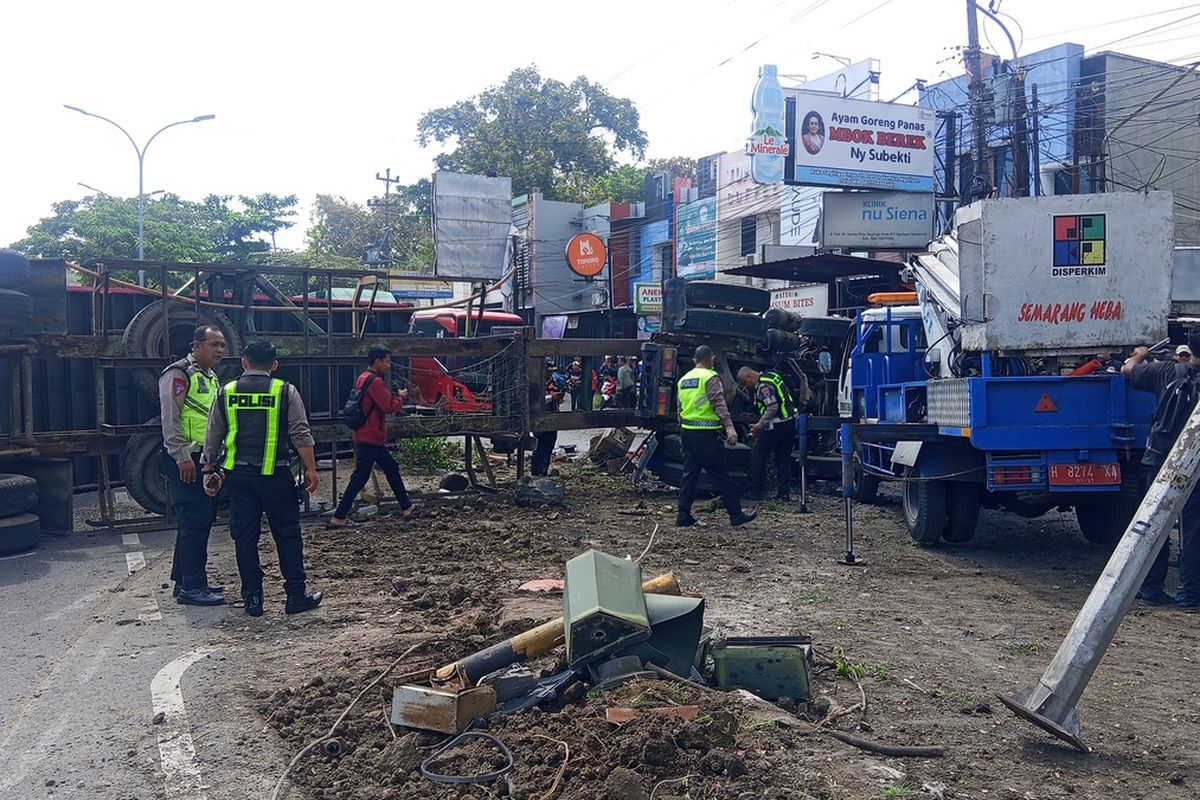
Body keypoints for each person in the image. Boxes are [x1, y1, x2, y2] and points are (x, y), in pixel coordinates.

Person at [202, 340, 323, 617]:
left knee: (245, 537)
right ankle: (295, 596)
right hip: (276, 476)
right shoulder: (285, 391)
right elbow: (301, 434)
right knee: (288, 535)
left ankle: (253, 600)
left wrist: (208, 470)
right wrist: (312, 470)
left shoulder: (226, 391)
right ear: (274, 365)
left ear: (244, 362)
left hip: (239, 477)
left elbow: (213, 435)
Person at [1122, 329, 1200, 612]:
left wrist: (1141, 354)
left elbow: (1128, 370)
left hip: (1159, 459)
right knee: (1193, 530)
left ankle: (1151, 588)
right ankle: (1190, 597)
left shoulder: (1165, 371)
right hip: (1194, 464)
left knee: (1154, 526)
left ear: (1189, 349)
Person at [159, 325, 227, 606]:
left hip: (203, 459)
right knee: (195, 521)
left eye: (222, 345)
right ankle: (193, 587)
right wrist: (181, 456)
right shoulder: (178, 374)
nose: (220, 350)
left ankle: (185, 579)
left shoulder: (210, 378)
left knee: (196, 521)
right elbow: (170, 418)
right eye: (214, 345)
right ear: (196, 346)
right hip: (186, 459)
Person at [327, 345, 422, 530]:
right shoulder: (375, 382)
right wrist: (401, 397)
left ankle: (407, 507)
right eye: (386, 361)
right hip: (371, 436)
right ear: (377, 361)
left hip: (367, 435)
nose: (388, 365)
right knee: (361, 477)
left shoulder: (363, 377)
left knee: (390, 468)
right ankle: (339, 516)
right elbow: (388, 406)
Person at [675, 345, 757, 529]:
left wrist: (682, 427)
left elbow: (680, 407)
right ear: (711, 359)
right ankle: (736, 515)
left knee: (689, 475)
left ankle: (683, 514)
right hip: (705, 435)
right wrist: (730, 427)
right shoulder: (710, 377)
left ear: (695, 360)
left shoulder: (684, 379)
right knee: (721, 475)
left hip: (687, 432)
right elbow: (719, 403)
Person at [738, 366, 797, 502]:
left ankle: (757, 492)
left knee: (757, 454)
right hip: (790, 422)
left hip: (777, 425)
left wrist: (759, 425)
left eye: (745, 383)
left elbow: (772, 407)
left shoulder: (764, 385)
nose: (747, 386)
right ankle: (784, 494)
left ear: (749, 377)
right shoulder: (771, 376)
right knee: (782, 459)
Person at [533, 361, 565, 476]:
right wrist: (552, 397)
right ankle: (536, 472)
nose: (550, 373)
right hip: (539, 418)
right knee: (539, 447)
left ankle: (544, 471)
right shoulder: (535, 381)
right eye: (548, 371)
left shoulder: (553, 381)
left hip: (552, 416)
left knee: (549, 446)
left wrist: (558, 398)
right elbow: (535, 400)